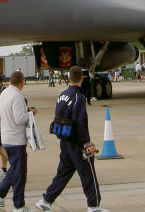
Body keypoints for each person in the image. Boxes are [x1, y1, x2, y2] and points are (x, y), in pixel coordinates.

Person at [36, 66, 108, 212]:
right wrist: (86, 143)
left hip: (65, 140)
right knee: (88, 172)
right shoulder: (79, 97)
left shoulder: (62, 95)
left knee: (64, 172)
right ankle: (93, 205)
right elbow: (80, 122)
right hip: (77, 142)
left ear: (69, 78)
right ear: (81, 78)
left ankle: (46, 200)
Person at [0, 71, 36, 212]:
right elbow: (19, 118)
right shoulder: (17, 96)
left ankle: (0, 194)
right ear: (22, 82)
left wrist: (25, 110)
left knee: (15, 169)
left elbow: (11, 112)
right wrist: (30, 113)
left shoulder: (4, 93)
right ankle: (18, 205)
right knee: (20, 174)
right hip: (16, 139)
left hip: (6, 137)